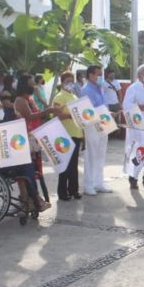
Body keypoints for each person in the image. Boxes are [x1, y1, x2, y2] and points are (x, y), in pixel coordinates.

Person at [0, 98, 47, 208]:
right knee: (26, 165)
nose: (1, 110)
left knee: (26, 162)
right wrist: (9, 145)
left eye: (2, 107)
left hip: (3, 160)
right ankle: (34, 198)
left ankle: (28, 197)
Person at [13, 73, 54, 211]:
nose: (33, 86)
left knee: (34, 171)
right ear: (24, 85)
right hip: (24, 139)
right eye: (30, 84)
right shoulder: (20, 100)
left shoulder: (29, 98)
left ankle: (32, 200)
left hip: (33, 138)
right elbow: (29, 116)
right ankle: (29, 199)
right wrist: (48, 111)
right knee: (27, 172)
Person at [81, 65, 112, 195]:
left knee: (101, 153)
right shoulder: (86, 90)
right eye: (98, 75)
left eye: (101, 75)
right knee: (91, 154)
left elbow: (103, 104)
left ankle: (98, 182)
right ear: (90, 75)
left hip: (104, 122)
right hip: (92, 124)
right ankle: (88, 184)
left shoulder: (101, 88)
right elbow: (87, 109)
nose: (100, 77)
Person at [53, 72, 84, 200]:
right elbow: (58, 115)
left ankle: (73, 190)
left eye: (72, 81)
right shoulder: (59, 97)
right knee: (65, 164)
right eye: (67, 81)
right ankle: (62, 192)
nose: (70, 83)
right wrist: (71, 115)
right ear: (62, 82)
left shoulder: (74, 96)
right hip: (65, 134)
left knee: (74, 164)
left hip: (76, 133)